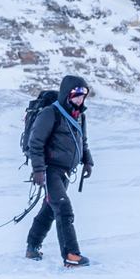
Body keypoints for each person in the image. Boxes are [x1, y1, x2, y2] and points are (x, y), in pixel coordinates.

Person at [24, 75, 93, 266]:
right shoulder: (50, 113)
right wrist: (38, 170)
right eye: (76, 95)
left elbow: (83, 141)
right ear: (67, 94)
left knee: (49, 209)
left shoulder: (80, 116)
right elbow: (35, 143)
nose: (80, 99)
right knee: (63, 208)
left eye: (83, 95)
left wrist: (87, 160)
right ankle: (71, 255)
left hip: (65, 171)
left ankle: (32, 247)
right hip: (50, 170)